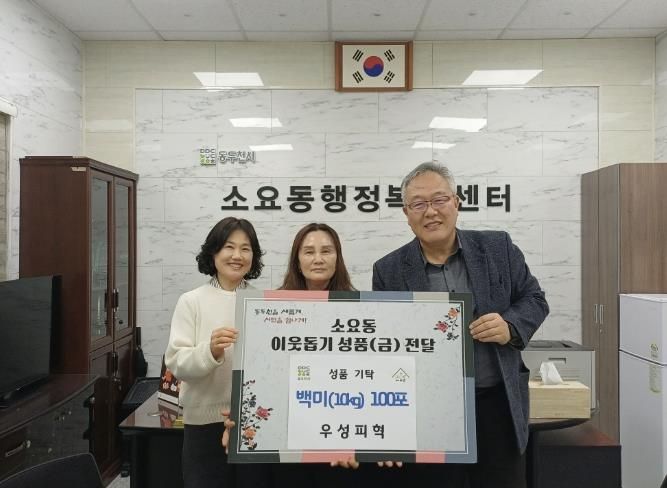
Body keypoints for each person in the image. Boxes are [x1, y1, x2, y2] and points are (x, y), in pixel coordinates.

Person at [372, 162, 549, 488]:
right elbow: (386, 347)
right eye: (418, 204)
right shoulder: (389, 270)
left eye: (439, 200)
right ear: (406, 213)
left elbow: (535, 299)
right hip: (430, 413)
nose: (431, 212)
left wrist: (510, 325)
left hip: (496, 405)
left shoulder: (498, 248)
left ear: (456, 202)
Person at [165, 217, 264, 488]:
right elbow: (176, 362)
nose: (237, 255)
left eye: (245, 248)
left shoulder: (263, 301)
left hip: (253, 423)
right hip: (203, 424)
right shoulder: (191, 301)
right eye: (229, 247)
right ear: (213, 252)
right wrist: (209, 351)